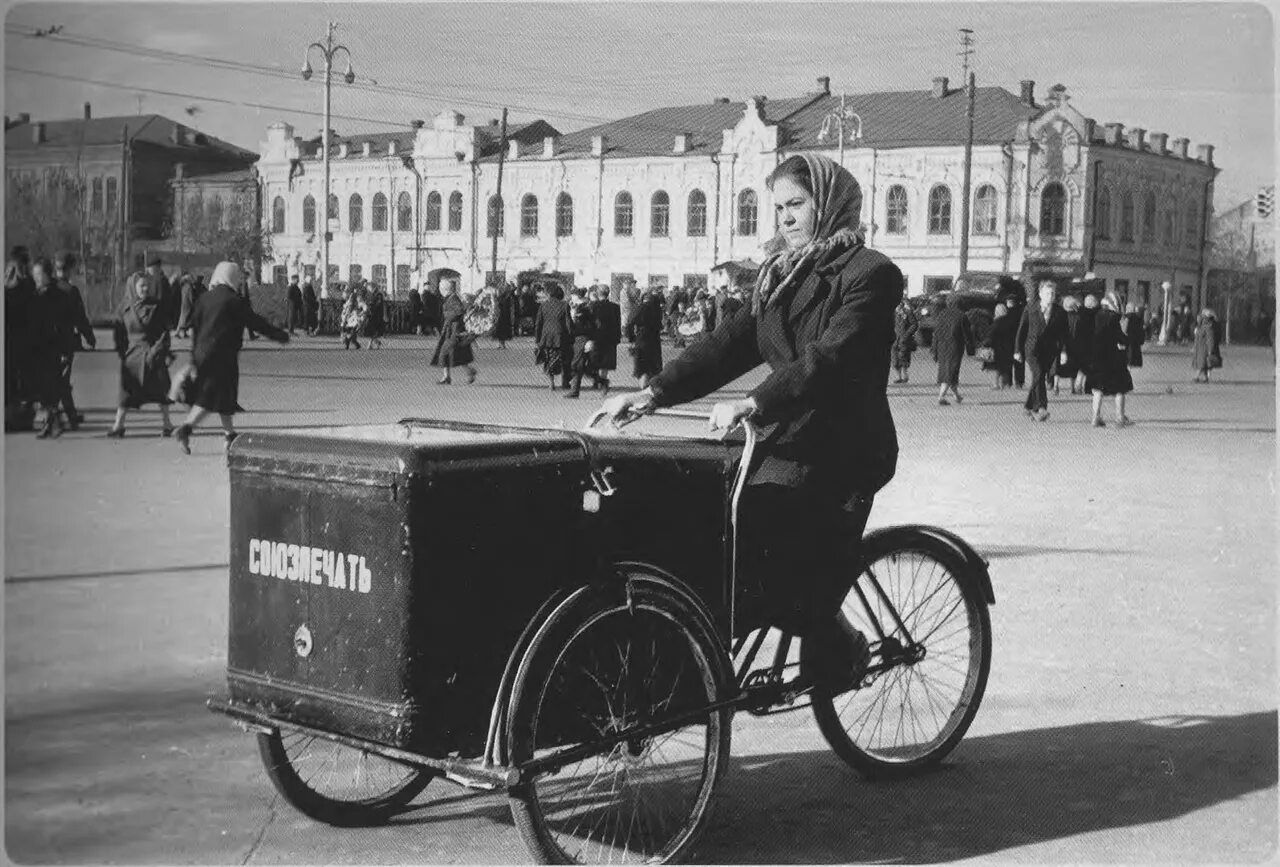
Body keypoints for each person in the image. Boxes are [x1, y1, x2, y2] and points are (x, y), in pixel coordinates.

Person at [602, 153, 903, 690]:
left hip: (842, 451)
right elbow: (725, 346)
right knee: (709, 530)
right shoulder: (779, 276)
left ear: (829, 203)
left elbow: (827, 358)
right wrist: (652, 393)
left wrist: (755, 402)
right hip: (785, 440)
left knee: (775, 558)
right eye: (779, 207)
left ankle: (841, 642)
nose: (785, 218)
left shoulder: (870, 274)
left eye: (797, 205)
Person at [174, 261, 288, 454]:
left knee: (223, 397)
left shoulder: (204, 299)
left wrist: (194, 359)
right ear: (232, 277)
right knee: (211, 398)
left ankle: (229, 434)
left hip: (203, 355)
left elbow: (196, 329)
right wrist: (279, 335)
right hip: (223, 356)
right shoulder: (234, 301)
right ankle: (186, 429)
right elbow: (255, 322)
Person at [106, 271, 176, 438]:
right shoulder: (124, 308)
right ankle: (118, 425)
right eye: (141, 285)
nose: (145, 289)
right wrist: (122, 352)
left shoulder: (157, 307)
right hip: (131, 357)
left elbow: (164, 334)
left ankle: (167, 424)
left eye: (147, 285)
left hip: (152, 354)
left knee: (160, 392)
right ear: (133, 287)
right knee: (125, 392)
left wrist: (157, 352)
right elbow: (119, 333)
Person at [27, 258, 77, 438]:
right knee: (45, 388)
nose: (37, 278)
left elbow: (64, 326)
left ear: (48, 275)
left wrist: (65, 350)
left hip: (54, 348)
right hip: (39, 348)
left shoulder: (59, 296)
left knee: (52, 386)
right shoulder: (36, 295)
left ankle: (55, 423)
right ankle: (52, 423)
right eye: (35, 275)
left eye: (39, 274)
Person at [1014, 280, 1069, 421]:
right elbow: (1021, 330)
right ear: (1040, 294)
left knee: (1039, 378)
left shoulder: (1060, 312)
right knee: (1038, 374)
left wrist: (1063, 352)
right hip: (1032, 349)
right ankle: (1042, 408)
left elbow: (1064, 334)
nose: (1050, 296)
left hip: (1049, 350)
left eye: (1052, 293)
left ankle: (1028, 407)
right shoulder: (1030, 308)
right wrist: (1017, 350)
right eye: (1047, 293)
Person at [54, 253, 96, 429]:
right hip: (65, 342)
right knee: (62, 380)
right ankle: (61, 417)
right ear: (70, 269)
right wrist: (90, 337)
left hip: (47, 342)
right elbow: (80, 318)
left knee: (57, 378)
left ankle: (69, 415)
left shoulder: (45, 288)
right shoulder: (71, 291)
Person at [1085, 291, 1134, 427]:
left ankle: (1095, 417)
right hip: (1112, 358)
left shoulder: (1095, 315)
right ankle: (1120, 417)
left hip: (1096, 358)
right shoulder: (1113, 318)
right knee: (1120, 387)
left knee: (1098, 388)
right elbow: (1120, 337)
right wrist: (1127, 339)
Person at [5, 246, 37, 431]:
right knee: (22, 380)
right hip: (22, 339)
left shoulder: (11, 281)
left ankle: (14, 417)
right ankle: (20, 417)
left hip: (15, 339)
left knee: (15, 380)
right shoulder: (26, 283)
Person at [430, 277, 477, 384]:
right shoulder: (451, 298)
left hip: (454, 331)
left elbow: (459, 311)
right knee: (455, 354)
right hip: (450, 330)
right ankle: (464, 372)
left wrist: (448, 316)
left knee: (445, 352)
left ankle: (450, 376)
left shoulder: (453, 299)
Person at [930, 294, 971, 406]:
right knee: (951, 371)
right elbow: (967, 334)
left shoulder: (941, 314)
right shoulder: (962, 315)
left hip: (942, 346)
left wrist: (934, 349)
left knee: (946, 370)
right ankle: (941, 396)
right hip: (955, 347)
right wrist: (971, 349)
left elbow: (936, 333)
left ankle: (957, 395)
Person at [533, 283, 571, 390]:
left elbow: (538, 323)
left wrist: (537, 338)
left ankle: (551, 383)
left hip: (547, 336)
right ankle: (565, 382)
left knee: (548, 359)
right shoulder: (564, 305)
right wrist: (571, 334)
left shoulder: (543, 305)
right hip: (561, 335)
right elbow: (568, 322)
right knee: (564, 358)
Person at [626, 286, 664, 387]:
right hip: (654, 338)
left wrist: (631, 337)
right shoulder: (657, 309)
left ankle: (643, 387)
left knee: (642, 366)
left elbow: (630, 322)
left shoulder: (640, 308)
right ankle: (651, 386)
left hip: (642, 337)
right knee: (653, 364)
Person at [563, 290, 599, 399]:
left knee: (576, 364)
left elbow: (592, 325)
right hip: (573, 338)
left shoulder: (586, 308)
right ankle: (595, 379)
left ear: (576, 296)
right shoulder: (573, 307)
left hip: (582, 338)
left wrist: (590, 340)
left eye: (572, 296)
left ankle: (575, 390)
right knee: (577, 364)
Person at [589, 284, 622, 394]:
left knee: (594, 360)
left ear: (598, 294)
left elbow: (589, 323)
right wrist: (617, 338)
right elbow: (618, 324)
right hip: (610, 338)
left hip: (596, 337)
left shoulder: (593, 306)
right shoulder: (615, 307)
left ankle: (598, 381)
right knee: (605, 362)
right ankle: (602, 380)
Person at [985, 302, 1017, 389]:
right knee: (1006, 366)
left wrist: (987, 344)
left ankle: (996, 384)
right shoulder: (1011, 321)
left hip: (998, 347)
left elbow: (991, 335)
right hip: (1009, 346)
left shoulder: (997, 322)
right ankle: (1005, 383)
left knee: (998, 367)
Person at [1057, 295, 1083, 395]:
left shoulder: (1059, 316)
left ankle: (1056, 386)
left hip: (1061, 344)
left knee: (1059, 366)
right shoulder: (1078, 317)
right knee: (1073, 367)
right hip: (1075, 345)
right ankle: (1072, 388)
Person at [891, 297, 918, 383]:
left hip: (904, 339)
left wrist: (906, 335)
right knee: (895, 358)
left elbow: (914, 324)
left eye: (899, 305)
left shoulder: (908, 313)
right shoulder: (893, 314)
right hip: (895, 339)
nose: (898, 307)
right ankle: (898, 376)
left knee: (903, 357)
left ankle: (905, 376)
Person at [1192, 308, 1222, 382]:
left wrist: (1210, 350)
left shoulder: (1208, 326)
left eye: (1201, 315)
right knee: (1203, 365)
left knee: (1201, 365)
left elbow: (1210, 339)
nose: (1199, 317)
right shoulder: (1202, 326)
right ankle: (1205, 378)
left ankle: (1196, 377)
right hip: (1200, 348)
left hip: (1204, 349)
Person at [340, 285, 366, 349]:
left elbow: (365, 307)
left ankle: (348, 342)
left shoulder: (357, 298)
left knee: (352, 331)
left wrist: (361, 313)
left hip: (354, 317)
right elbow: (346, 308)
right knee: (347, 331)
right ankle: (354, 343)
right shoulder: (348, 300)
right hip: (347, 317)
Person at [491, 281, 515, 348]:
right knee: (500, 329)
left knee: (503, 329)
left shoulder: (508, 296)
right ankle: (500, 344)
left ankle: (502, 344)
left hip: (505, 314)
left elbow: (509, 304)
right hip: (501, 314)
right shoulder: (501, 296)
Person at [1123, 302, 1145, 369]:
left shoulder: (1128, 317)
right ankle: (1135, 363)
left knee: (1129, 351)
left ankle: (1129, 363)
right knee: (1135, 350)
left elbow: (1125, 328)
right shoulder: (1138, 317)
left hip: (1129, 337)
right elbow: (1141, 328)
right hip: (1136, 338)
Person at [364, 284, 386, 349]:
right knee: (371, 330)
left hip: (377, 315)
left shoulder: (379, 295)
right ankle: (376, 342)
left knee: (373, 330)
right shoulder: (371, 295)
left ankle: (370, 344)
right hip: (371, 314)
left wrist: (371, 306)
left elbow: (378, 304)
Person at [175, 271, 196, 338]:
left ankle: (182, 332)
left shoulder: (183, 285)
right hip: (187, 304)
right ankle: (178, 332)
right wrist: (193, 302)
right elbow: (190, 296)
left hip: (184, 303)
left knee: (183, 318)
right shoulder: (189, 286)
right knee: (185, 319)